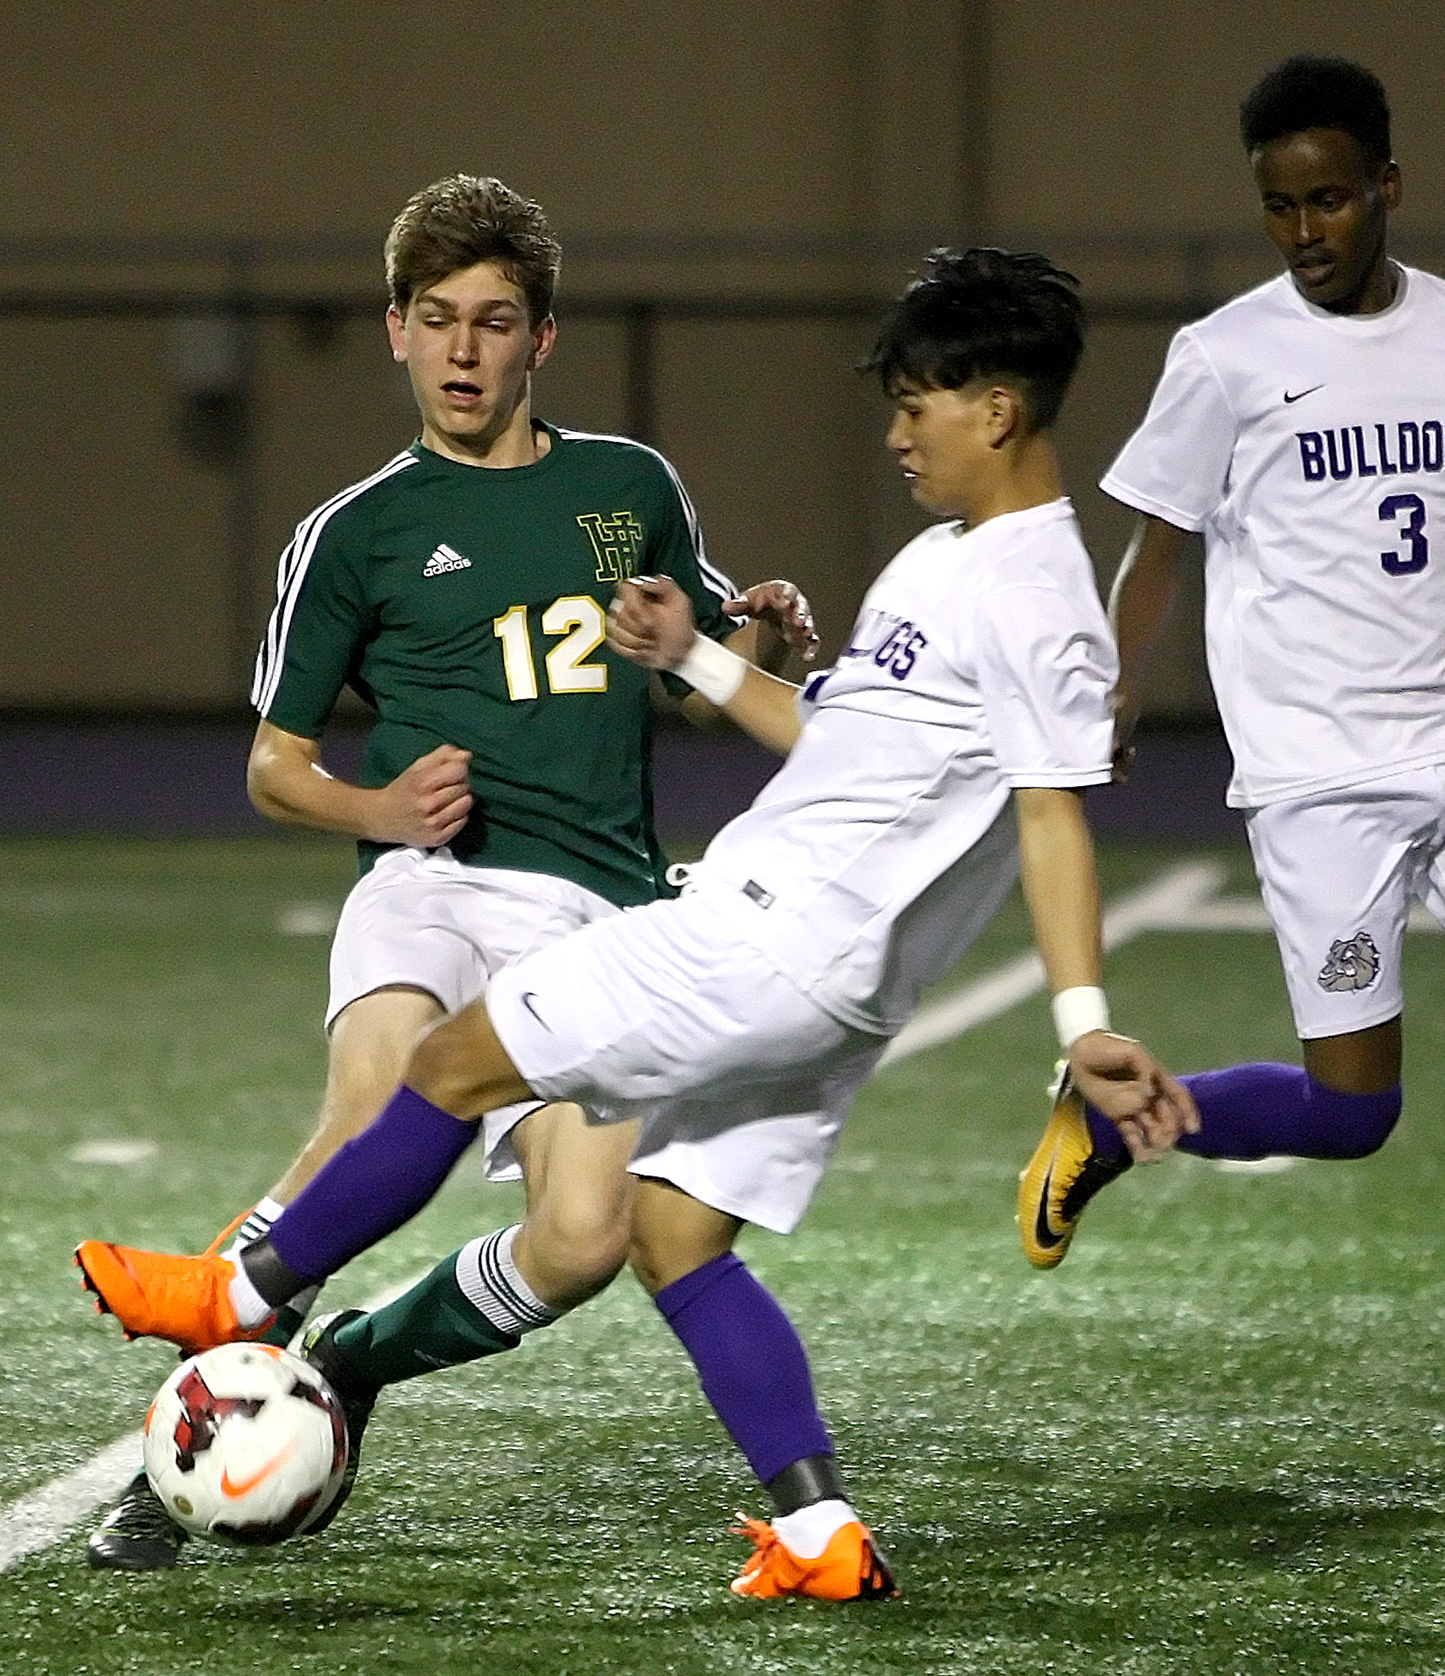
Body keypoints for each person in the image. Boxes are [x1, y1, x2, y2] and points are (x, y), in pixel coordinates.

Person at [77, 246, 1198, 1596]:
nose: (896, 431)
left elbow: (1050, 819)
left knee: (451, 1077)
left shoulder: (1026, 596)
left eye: (918, 403)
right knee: (661, 1234)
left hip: (747, 936)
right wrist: (705, 656)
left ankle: (245, 1299)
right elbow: (840, 745)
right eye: (436, 319)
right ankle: (815, 1535)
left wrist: (1082, 1024)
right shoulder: (957, 561)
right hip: (810, 982)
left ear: (997, 409)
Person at [83, 171, 817, 1571]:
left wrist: (761, 636)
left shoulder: (631, 488)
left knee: (587, 1235)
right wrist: (377, 804)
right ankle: (178, 1448)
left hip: (598, 910)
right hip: (428, 883)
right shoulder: (351, 532)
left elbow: (693, 668)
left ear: (542, 340)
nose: (465, 350)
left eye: (493, 322)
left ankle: (350, 1368)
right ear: (395, 334)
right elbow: (271, 768)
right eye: (439, 320)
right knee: (370, 1100)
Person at [1018, 55, 1445, 1268]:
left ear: (1387, 187)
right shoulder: (1223, 357)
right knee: (1353, 1113)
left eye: (1329, 200)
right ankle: (1101, 1129)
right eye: (1278, 206)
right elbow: (1158, 549)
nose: (1303, 232)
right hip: (1319, 773)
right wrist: (1113, 686)